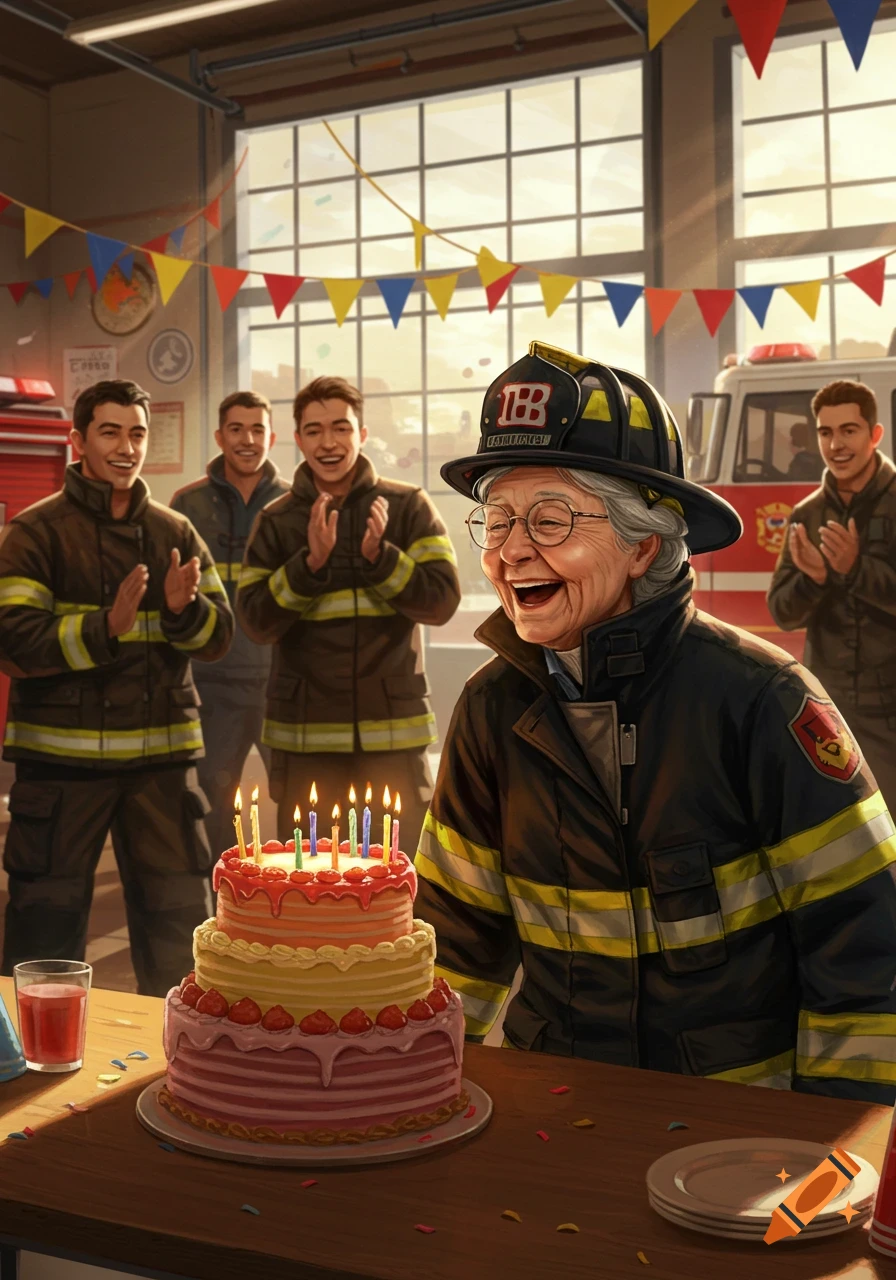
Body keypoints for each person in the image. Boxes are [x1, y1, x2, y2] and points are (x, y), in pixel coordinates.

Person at [414, 341, 896, 1102]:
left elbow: (868, 955)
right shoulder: (488, 709)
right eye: (498, 520)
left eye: (548, 519)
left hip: (738, 1144)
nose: (510, 553)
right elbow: (453, 943)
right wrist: (413, 1099)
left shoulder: (764, 703)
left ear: (643, 544)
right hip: (550, 1115)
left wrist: (838, 1159)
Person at [0, 379, 233, 995]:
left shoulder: (175, 532)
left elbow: (219, 636)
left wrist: (184, 612)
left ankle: (183, 1070)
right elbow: (14, 642)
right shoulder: (34, 533)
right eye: (110, 431)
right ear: (77, 441)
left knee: (180, 934)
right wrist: (104, 628)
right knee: (42, 936)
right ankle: (24, 1072)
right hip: (59, 771)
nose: (126, 447)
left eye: (136, 433)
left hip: (160, 770)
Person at [237, 375, 460, 852]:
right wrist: (308, 566)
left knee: (395, 881)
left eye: (341, 427)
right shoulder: (276, 520)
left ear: (361, 432)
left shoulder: (407, 506)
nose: (329, 442)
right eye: (314, 430)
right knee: (311, 883)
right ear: (298, 440)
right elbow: (254, 621)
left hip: (391, 741)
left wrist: (383, 560)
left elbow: (442, 600)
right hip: (303, 744)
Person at [170, 391, 289, 863]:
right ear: (220, 437)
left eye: (258, 429)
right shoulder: (187, 504)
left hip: (283, 682)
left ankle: (295, 897)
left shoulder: (295, 501)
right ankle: (223, 903)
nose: (248, 439)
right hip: (212, 683)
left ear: (272, 437)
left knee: (296, 798)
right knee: (215, 801)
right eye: (237, 429)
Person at [768, 379, 896, 809]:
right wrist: (815, 580)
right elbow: (782, 611)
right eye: (825, 432)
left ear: (875, 434)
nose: (836, 445)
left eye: (849, 430)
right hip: (830, 709)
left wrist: (854, 570)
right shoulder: (807, 514)